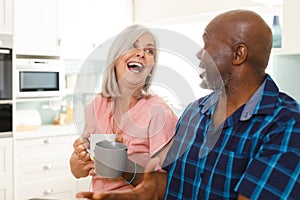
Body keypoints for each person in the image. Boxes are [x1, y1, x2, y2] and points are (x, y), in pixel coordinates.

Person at [76, 9, 300, 200]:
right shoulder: (195, 112)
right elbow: (168, 183)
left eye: (207, 44)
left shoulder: (286, 126)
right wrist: (140, 185)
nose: (199, 53)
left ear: (238, 54)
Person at [70, 24, 178, 192]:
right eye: (132, 46)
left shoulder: (160, 112)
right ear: (115, 59)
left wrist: (124, 168)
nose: (141, 53)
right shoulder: (98, 104)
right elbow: (77, 171)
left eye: (149, 51)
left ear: (150, 69)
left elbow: (167, 185)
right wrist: (80, 158)